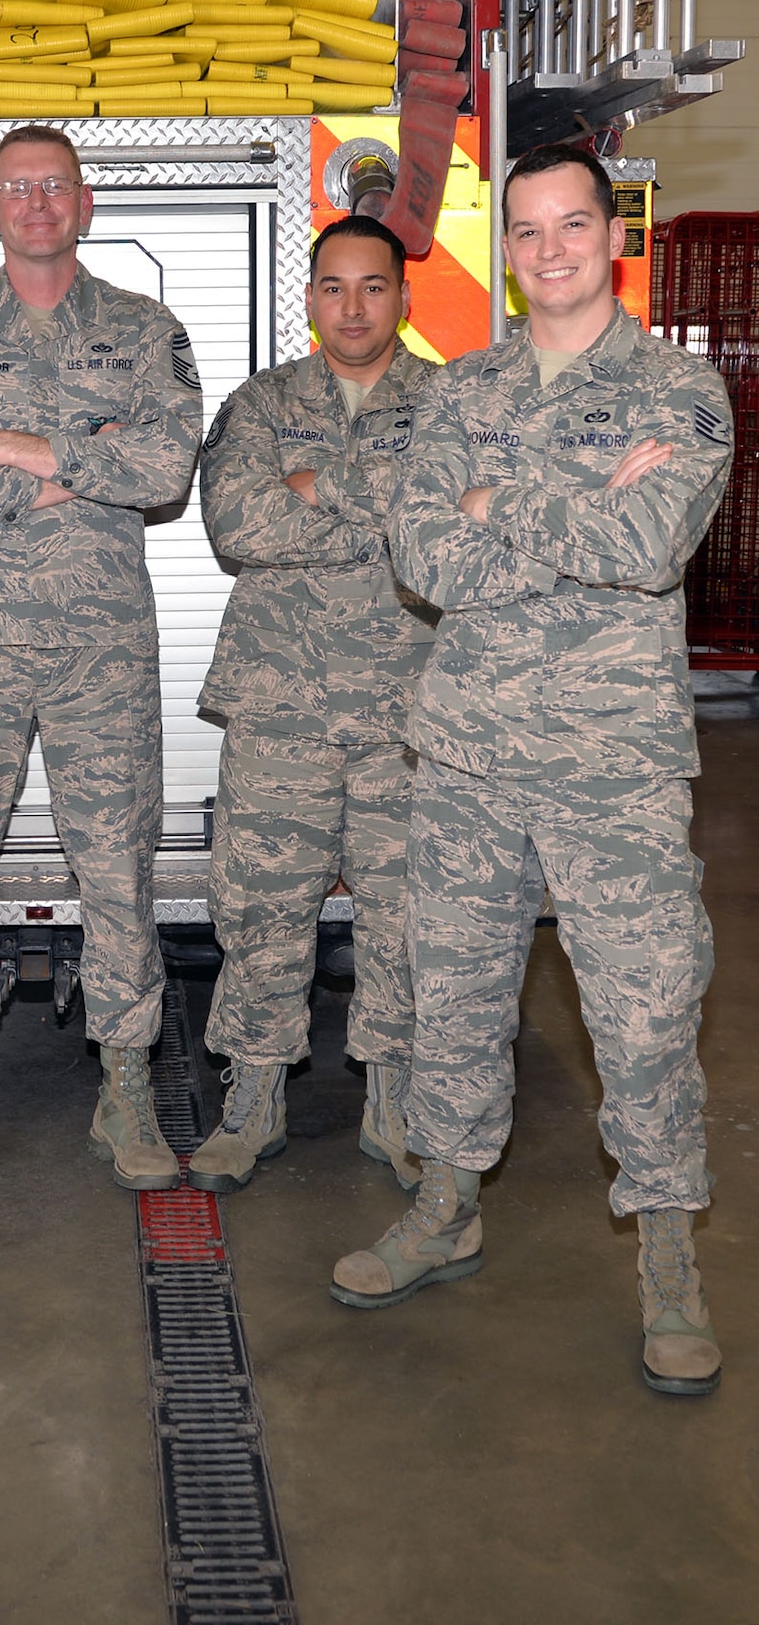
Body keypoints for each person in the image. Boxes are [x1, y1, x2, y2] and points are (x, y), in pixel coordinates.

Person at [330, 144, 732, 1400]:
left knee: (646, 1009)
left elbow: (647, 543)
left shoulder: (680, 389)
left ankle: (668, 1258)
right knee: (450, 992)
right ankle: (446, 1205)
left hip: (611, 762)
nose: (549, 248)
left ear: (607, 238)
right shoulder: (463, 390)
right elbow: (421, 558)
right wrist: (562, 508)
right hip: (465, 754)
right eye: (525, 230)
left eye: (570, 226)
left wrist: (497, 499)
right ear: (502, 250)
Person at [0, 125, 202, 1196]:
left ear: (84, 200)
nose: (36, 202)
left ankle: (126, 1090)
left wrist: (8, 444)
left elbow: (162, 470)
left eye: (53, 185)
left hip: (99, 648)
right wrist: (67, 471)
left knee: (117, 872)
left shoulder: (146, 329)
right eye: (16, 186)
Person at [190, 216, 437, 1193]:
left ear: (402, 297)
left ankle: (395, 1099)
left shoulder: (451, 401)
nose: (352, 307)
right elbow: (235, 522)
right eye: (333, 287)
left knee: (406, 913)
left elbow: (453, 515)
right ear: (309, 298)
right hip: (278, 704)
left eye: (372, 287)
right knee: (259, 909)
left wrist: (315, 490)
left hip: (410, 708)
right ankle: (252, 1099)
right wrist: (379, 507)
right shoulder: (262, 400)